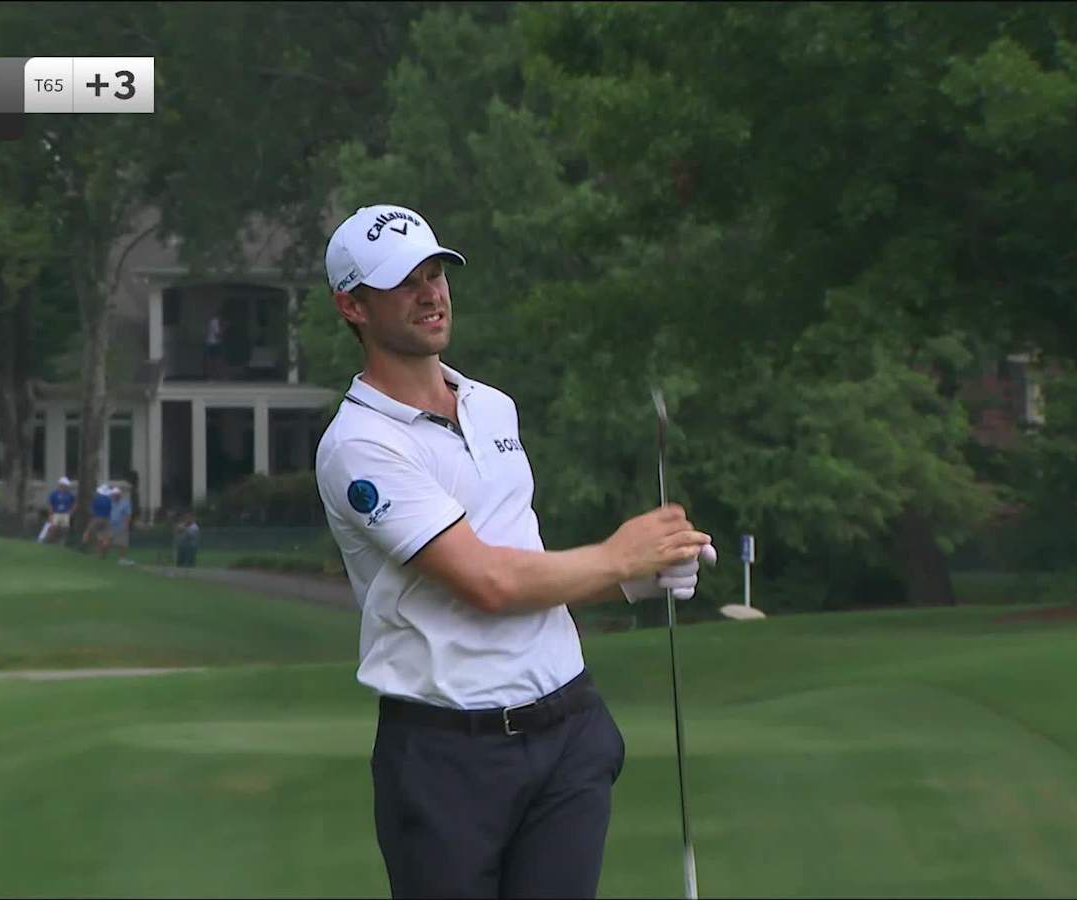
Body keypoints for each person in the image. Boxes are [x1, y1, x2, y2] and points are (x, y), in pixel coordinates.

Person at [315, 204, 718, 899]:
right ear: (352, 305)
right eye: (402, 281)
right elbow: (489, 583)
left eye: (436, 273)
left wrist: (637, 582)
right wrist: (621, 556)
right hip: (447, 757)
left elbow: (519, 559)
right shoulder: (359, 448)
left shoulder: (492, 406)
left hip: (567, 727)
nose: (431, 293)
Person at [99, 484, 134, 565]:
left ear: (119, 495)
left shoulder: (125, 503)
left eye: (117, 495)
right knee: (106, 542)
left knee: (123, 543)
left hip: (121, 525)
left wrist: (126, 525)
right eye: (114, 495)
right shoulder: (108, 502)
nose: (115, 496)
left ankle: (122, 559)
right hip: (109, 525)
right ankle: (101, 556)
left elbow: (128, 515)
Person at [43, 476, 76, 545]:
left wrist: (71, 511)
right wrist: (50, 514)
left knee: (64, 529)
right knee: (53, 529)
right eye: (63, 485)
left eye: (66, 486)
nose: (65, 487)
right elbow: (50, 504)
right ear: (60, 485)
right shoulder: (54, 494)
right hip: (56, 513)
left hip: (65, 514)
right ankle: (48, 542)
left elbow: (74, 503)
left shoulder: (70, 494)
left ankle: (61, 543)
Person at [82, 482, 114, 550]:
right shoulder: (109, 500)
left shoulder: (96, 499)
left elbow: (91, 509)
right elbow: (111, 510)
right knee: (106, 537)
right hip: (106, 519)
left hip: (96, 518)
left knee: (88, 532)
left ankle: (83, 545)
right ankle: (103, 547)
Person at [204, 310, 225, 378]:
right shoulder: (216, 322)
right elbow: (218, 335)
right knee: (217, 360)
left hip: (209, 343)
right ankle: (216, 376)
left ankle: (211, 376)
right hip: (215, 343)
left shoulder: (212, 321)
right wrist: (224, 328)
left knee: (211, 360)